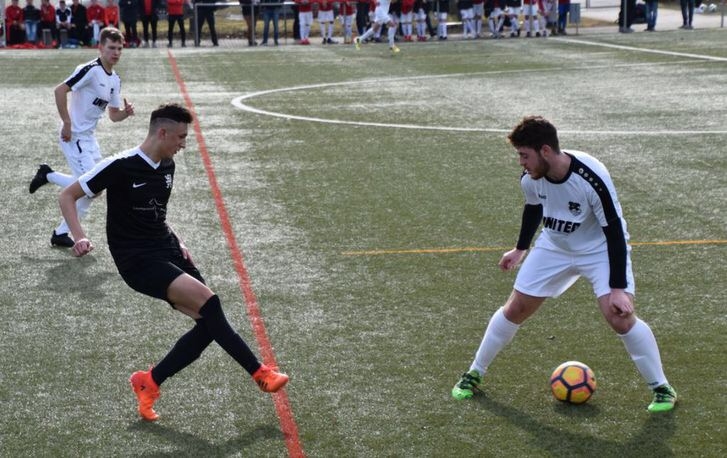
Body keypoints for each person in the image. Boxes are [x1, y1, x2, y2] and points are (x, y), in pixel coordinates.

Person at [57, 103, 290, 422]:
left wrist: (177, 239)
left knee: (209, 324)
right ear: (162, 133)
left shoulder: (167, 165)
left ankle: (149, 381)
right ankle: (259, 373)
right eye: (181, 137)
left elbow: (157, 214)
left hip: (167, 249)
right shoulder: (120, 166)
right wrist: (80, 236)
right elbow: (67, 196)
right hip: (137, 260)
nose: (184, 144)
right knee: (210, 304)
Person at [451, 116, 678, 414]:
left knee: (619, 316)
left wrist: (618, 288)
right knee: (515, 308)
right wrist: (520, 249)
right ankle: (474, 373)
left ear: (545, 150)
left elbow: (613, 231)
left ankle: (662, 388)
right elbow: (533, 207)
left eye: (524, 155)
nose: (521, 163)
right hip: (554, 246)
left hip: (599, 249)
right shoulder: (530, 178)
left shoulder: (591, 178)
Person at [28, 27, 134, 248]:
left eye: (119, 48)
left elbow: (113, 116)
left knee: (91, 189)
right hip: (73, 137)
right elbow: (59, 90)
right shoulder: (90, 70)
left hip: (89, 139)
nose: (116, 52)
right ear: (100, 47)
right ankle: (50, 181)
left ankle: (59, 228)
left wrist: (126, 113)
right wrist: (67, 123)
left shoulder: (115, 80)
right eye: (111, 48)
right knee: (91, 188)